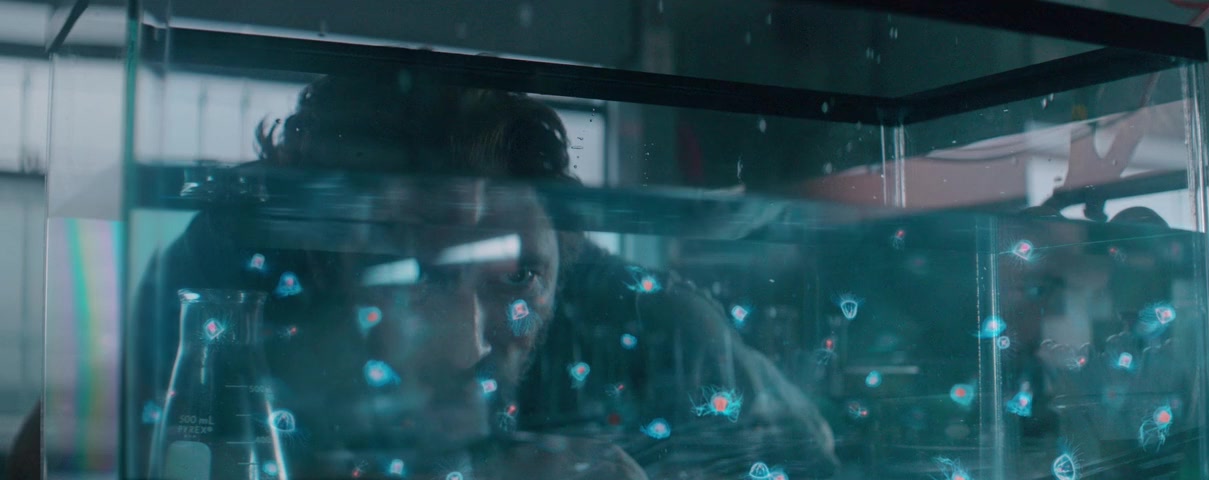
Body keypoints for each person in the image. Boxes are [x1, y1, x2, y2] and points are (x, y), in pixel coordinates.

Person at [12, 70, 837, 480]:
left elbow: (817, 464)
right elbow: (44, 454)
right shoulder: (239, 279)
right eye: (426, 277)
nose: (473, 341)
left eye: (518, 280)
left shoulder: (648, 326)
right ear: (329, 262)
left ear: (566, 250)